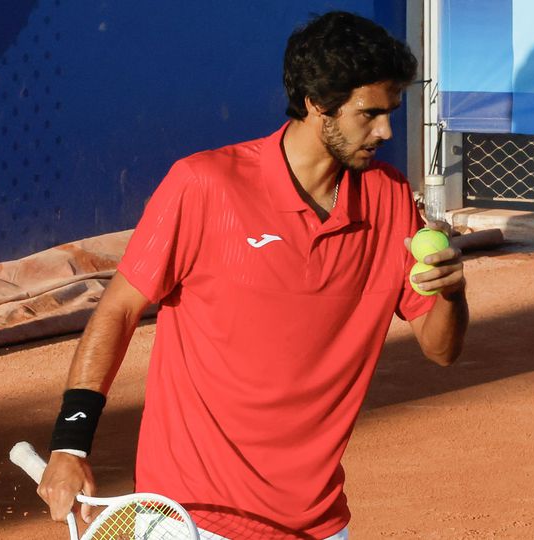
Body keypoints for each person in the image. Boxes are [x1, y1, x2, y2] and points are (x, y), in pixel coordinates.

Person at [36, 11, 469, 539]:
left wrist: (451, 291)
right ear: (316, 104)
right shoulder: (204, 185)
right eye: (369, 114)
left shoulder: (391, 199)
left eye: (391, 113)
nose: (385, 130)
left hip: (315, 522)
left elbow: (441, 349)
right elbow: (119, 308)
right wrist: (70, 444)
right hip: (190, 516)